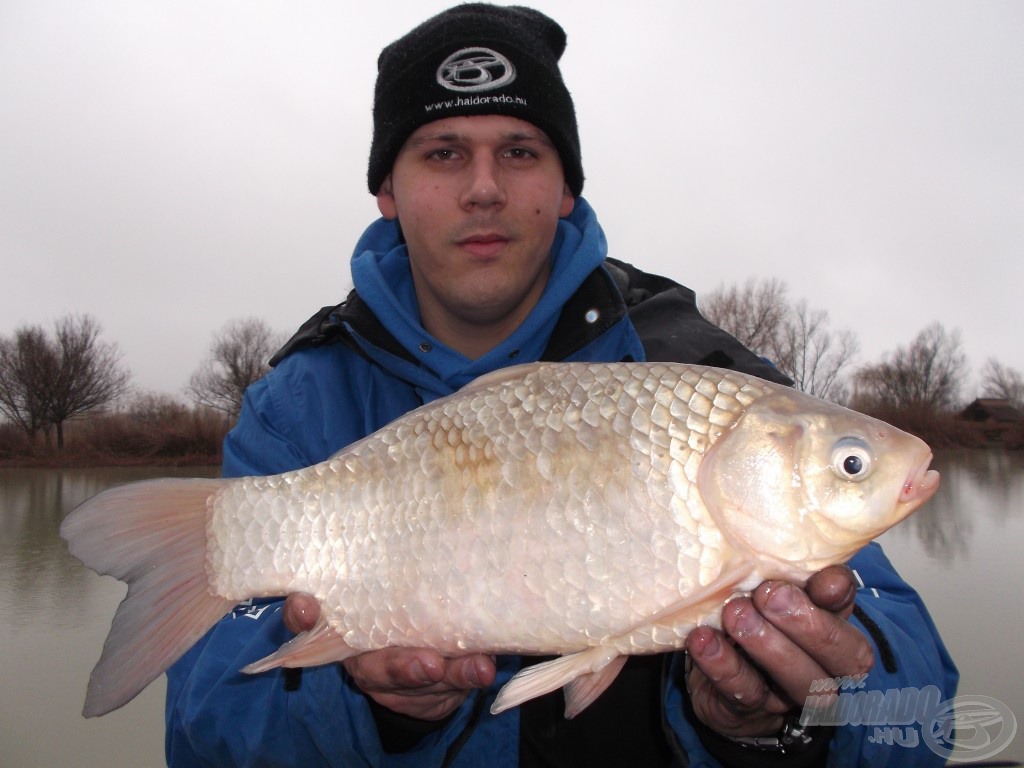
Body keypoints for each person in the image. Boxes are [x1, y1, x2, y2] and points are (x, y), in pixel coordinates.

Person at [165, 5, 958, 766]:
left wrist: (779, 730)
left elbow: (920, 707)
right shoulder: (298, 409)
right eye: (443, 152)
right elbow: (206, 732)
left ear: (566, 186)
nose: (484, 188)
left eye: (520, 151)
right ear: (387, 192)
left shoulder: (705, 378)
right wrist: (372, 710)